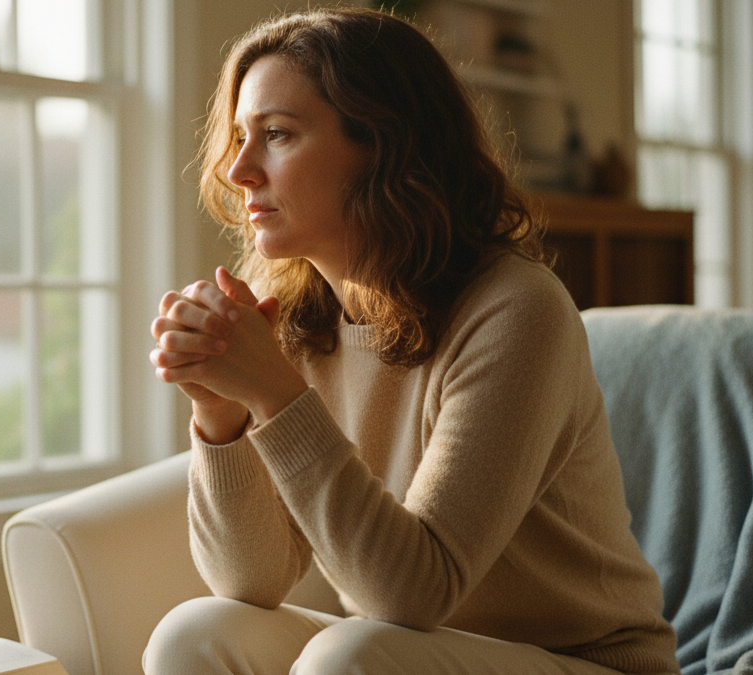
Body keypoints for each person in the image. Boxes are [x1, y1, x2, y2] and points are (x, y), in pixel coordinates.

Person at [144, 7, 679, 675]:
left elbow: (414, 589)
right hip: (412, 650)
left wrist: (272, 390)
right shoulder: (302, 311)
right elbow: (250, 582)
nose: (239, 170)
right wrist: (218, 413)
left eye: (276, 134)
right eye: (240, 137)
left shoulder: (516, 307)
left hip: (584, 660)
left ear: (383, 144)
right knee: (193, 633)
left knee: (352, 654)